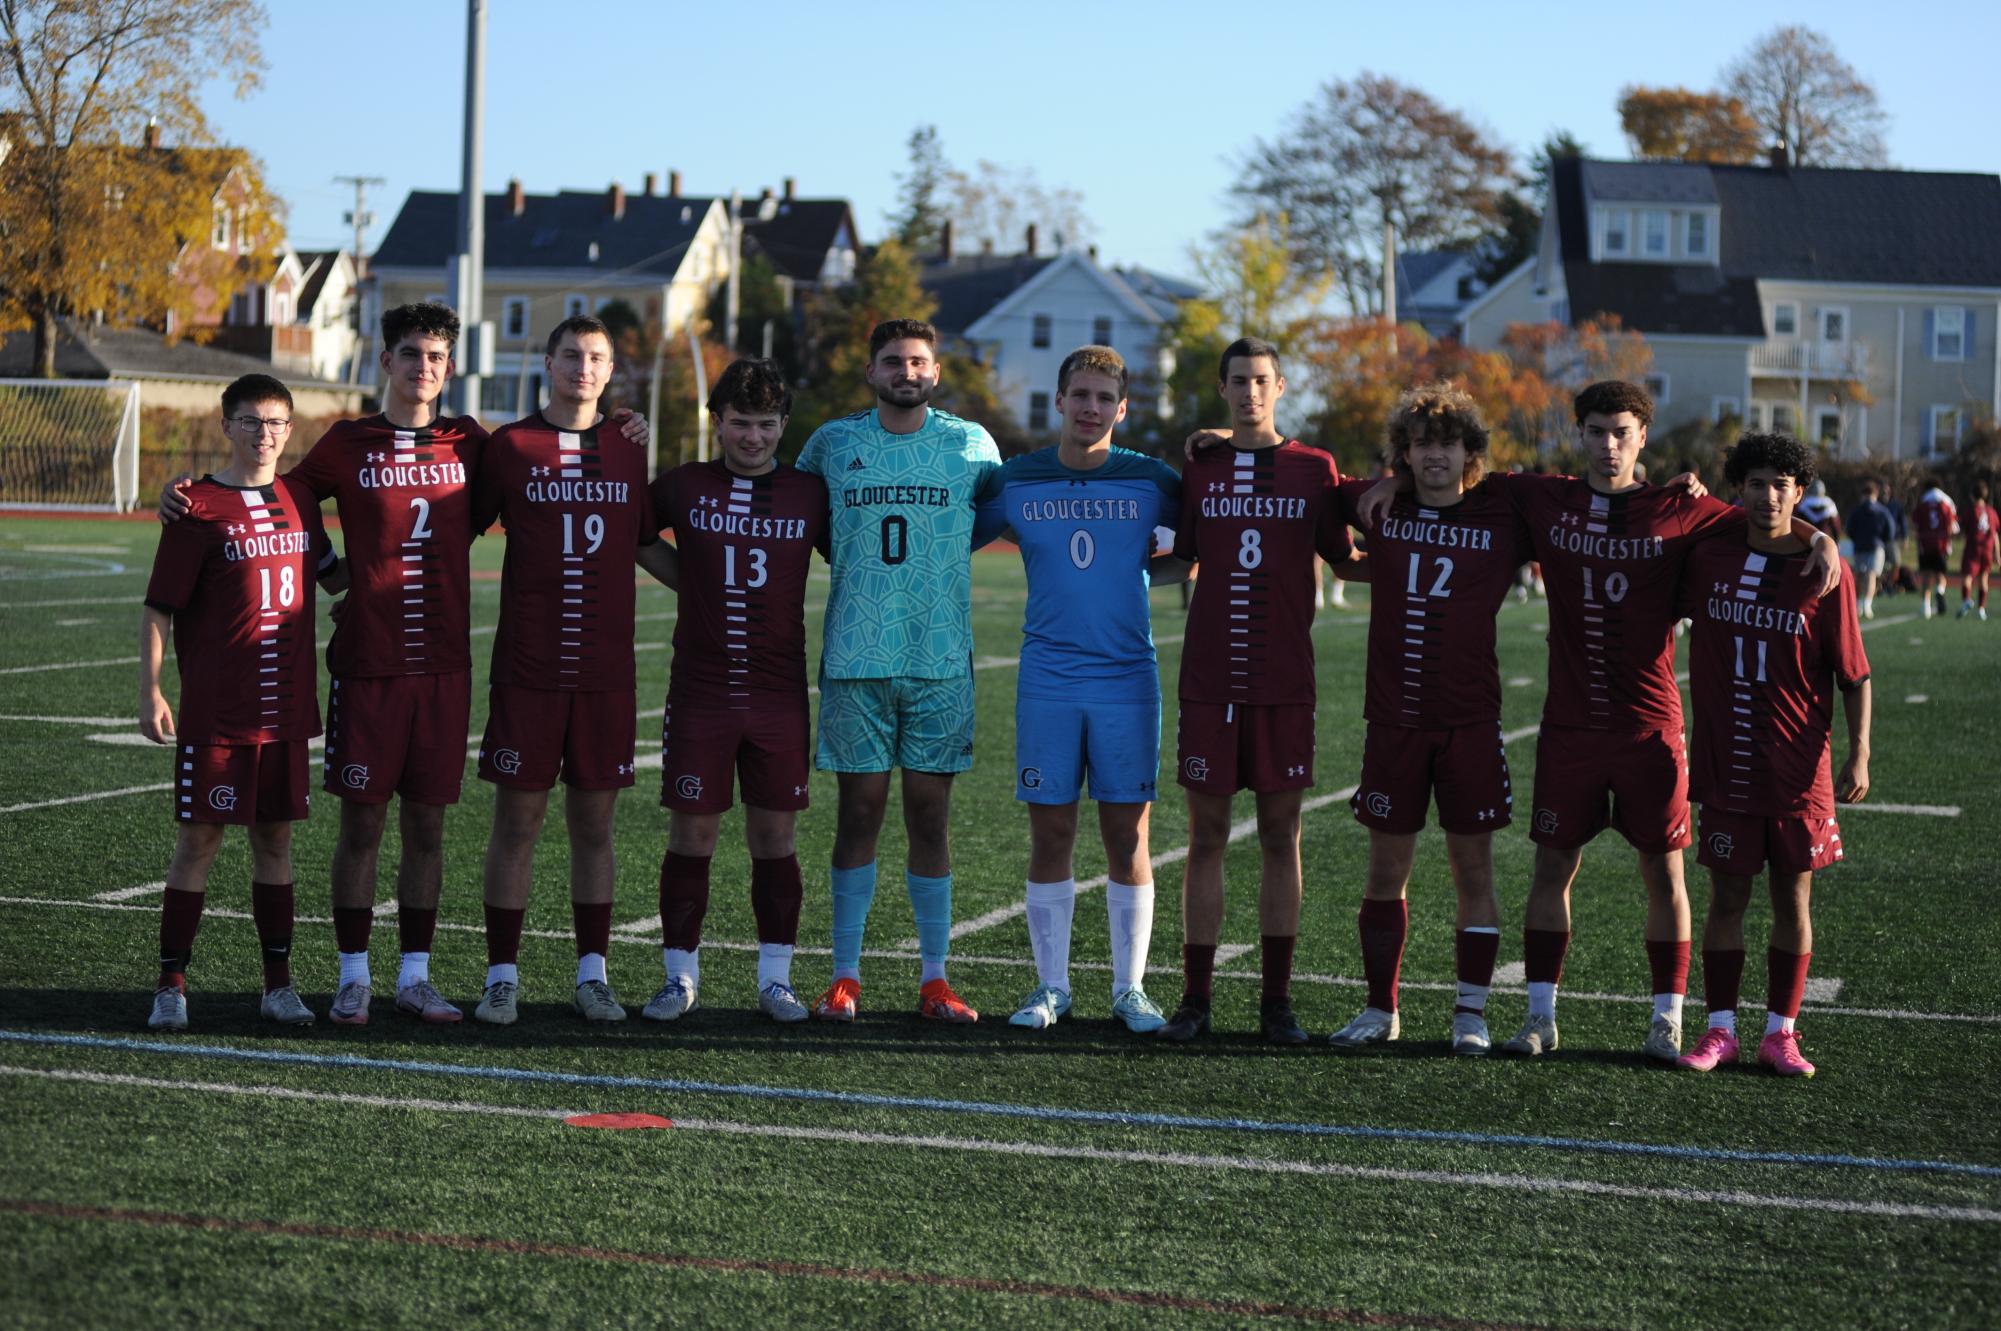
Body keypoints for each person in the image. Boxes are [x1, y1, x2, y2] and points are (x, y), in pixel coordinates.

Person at [159, 304, 648, 1026]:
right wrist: (193, 492)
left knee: (428, 829)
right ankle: (354, 975)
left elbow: (544, 464)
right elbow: (276, 489)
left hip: (444, 667)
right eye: (412, 354)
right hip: (367, 664)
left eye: (437, 357)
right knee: (361, 828)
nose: (425, 368)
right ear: (385, 361)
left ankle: (415, 976)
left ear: (451, 368)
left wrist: (622, 425)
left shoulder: (473, 442)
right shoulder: (347, 442)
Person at [1355, 380, 1839, 1061]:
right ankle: (1538, 1016)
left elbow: (1768, 521)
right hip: (1569, 724)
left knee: (1663, 874)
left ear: (1643, 436)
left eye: (1621, 432)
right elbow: (1442, 477)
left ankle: (1664, 1019)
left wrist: (1820, 537)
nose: (1608, 445)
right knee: (1551, 866)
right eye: (1596, 431)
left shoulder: (1682, 506)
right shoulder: (1537, 495)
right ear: (1577, 434)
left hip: (1650, 727)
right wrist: (1385, 482)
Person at [971, 346, 1187, 1033]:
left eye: (1104, 398)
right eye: (1080, 395)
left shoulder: (1154, 479)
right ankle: (1052, 985)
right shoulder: (1016, 478)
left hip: (1127, 677)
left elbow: (1203, 531)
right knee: (1051, 829)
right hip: (1048, 679)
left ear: (1122, 410)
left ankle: (1130, 989)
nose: (1090, 408)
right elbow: (948, 527)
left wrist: (1207, 444)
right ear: (1058, 402)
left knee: (1128, 834)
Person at [794, 319, 1003, 1023]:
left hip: (940, 658)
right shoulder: (831, 443)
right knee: (857, 813)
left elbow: (997, 514)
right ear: (870, 370)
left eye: (917, 361)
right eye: (892, 361)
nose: (904, 371)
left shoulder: (971, 444)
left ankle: (935, 978)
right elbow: (803, 521)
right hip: (856, 656)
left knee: (929, 816)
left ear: (935, 371)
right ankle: (844, 974)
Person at [1326, 383, 1531, 1057]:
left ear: (1469, 452)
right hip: (1394, 720)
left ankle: (1469, 1011)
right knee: (1385, 869)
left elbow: (1605, 490)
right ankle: (1379, 1005)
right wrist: (1378, 484)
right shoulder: (1380, 506)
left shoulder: (1504, 508)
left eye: (1447, 443)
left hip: (1469, 720)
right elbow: (1313, 481)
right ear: (1403, 454)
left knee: (1473, 870)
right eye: (1420, 445)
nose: (1434, 456)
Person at [1161, 338, 1354, 1044]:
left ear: (1280, 387)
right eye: (1237, 381)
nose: (1249, 392)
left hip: (1283, 682)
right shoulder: (1200, 466)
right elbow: (1177, 559)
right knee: (1204, 836)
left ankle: (1276, 1002)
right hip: (1209, 681)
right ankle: (1195, 998)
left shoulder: (1314, 468)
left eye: (1260, 381)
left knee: (1281, 836)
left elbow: (1346, 557)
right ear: (1222, 388)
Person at [466, 316, 656, 1024]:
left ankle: (592, 973)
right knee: (516, 822)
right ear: (547, 363)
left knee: (595, 826)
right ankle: (501, 975)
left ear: (611, 371)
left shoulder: (629, 445)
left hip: (606, 672)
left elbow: (645, 542)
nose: (583, 366)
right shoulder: (511, 445)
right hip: (529, 667)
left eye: (596, 356)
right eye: (571, 354)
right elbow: (453, 531)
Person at [138, 374, 340, 1029]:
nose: (265, 434)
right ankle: (172, 983)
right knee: (198, 840)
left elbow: (338, 578)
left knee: (275, 841)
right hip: (218, 710)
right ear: (226, 426)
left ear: (290, 429)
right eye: (251, 421)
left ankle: (277, 985)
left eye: (277, 422)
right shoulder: (195, 504)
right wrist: (152, 688)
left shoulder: (302, 500)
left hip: (285, 711)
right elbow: (159, 607)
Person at [1675, 432, 1871, 1078]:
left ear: (1800, 491)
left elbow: (1853, 674)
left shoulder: (1822, 569)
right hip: (1726, 762)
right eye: (1755, 482)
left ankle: (1779, 1034)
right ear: (1738, 488)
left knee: (1793, 900)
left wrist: (1858, 754)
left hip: (1796, 769)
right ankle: (1721, 1030)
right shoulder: (1707, 553)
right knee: (1726, 898)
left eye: (1781, 484)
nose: (1768, 495)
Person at [640, 359, 828, 1023]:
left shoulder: (809, 491)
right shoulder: (686, 484)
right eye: (740, 423)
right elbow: (636, 534)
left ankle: (775, 979)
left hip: (778, 691)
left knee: (775, 836)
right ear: (716, 422)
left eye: (766, 425)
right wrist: (690, 580)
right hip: (702, 688)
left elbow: (852, 553)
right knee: (692, 833)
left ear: (783, 426)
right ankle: (678, 977)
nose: (752, 436)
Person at [1845, 479, 1895, 619]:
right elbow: (1890, 530)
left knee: (1859, 575)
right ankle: (1866, 603)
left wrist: (1857, 539)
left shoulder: (1856, 510)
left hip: (1860, 546)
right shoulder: (1882, 510)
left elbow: (1849, 529)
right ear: (1876, 494)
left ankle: (1856, 604)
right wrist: (1882, 541)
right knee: (1871, 575)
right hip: (1876, 546)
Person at [1912, 480, 1957, 620]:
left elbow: (1915, 523)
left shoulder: (1923, 501)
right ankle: (1939, 590)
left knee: (1925, 575)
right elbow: (1953, 525)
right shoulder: (1947, 501)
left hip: (1925, 543)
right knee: (1940, 573)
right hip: (1941, 543)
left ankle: (1925, 607)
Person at [1956, 481, 1996, 620]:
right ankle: (1981, 609)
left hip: (1973, 548)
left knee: (1967, 577)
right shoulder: (1991, 511)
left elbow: (1962, 531)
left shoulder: (1971, 511)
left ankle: (1967, 599)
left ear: (1972, 496)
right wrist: (1997, 553)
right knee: (1984, 579)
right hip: (1988, 549)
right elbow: (1995, 533)